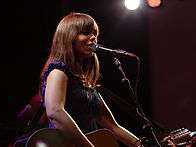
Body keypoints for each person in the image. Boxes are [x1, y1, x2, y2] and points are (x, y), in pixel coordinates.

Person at [38, 12, 143, 147]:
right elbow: (55, 112)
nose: (93, 38)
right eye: (86, 33)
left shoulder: (85, 81)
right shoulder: (58, 71)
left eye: (95, 34)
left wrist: (140, 144)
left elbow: (112, 126)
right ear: (69, 37)